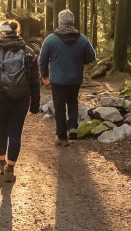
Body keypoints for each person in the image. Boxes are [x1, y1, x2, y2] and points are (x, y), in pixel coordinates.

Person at [0, 20, 40, 182]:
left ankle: (1, 161)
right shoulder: (29, 52)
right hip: (21, 99)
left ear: (2, 32)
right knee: (16, 132)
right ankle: (10, 169)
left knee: (1, 132)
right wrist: (35, 104)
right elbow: (34, 81)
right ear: (17, 32)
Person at [38, 9, 96, 146]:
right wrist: (80, 61)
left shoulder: (51, 39)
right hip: (75, 78)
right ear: (73, 22)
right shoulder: (82, 39)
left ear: (59, 22)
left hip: (57, 80)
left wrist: (45, 76)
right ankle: (73, 127)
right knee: (72, 102)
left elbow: (42, 60)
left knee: (59, 107)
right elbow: (91, 57)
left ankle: (62, 137)